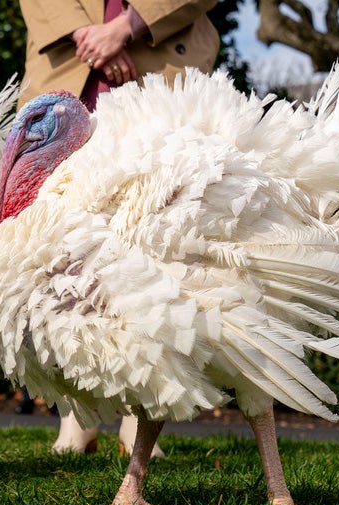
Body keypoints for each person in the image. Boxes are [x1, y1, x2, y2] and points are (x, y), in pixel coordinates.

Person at [18, 0, 219, 453]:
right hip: (68, 66)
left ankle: (141, 413)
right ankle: (76, 412)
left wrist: (125, 28)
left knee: (153, 249)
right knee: (62, 251)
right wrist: (90, 37)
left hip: (161, 68)